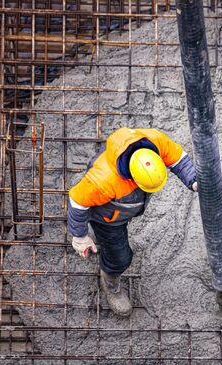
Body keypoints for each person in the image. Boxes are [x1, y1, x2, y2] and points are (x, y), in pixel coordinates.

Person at [67, 128, 197, 317]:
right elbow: (77, 201)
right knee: (120, 257)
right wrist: (79, 236)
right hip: (107, 219)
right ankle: (111, 284)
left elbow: (177, 158)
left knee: (96, 226)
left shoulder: (154, 142)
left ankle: (91, 232)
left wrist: (193, 179)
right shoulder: (104, 181)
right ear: (132, 177)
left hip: (119, 207)